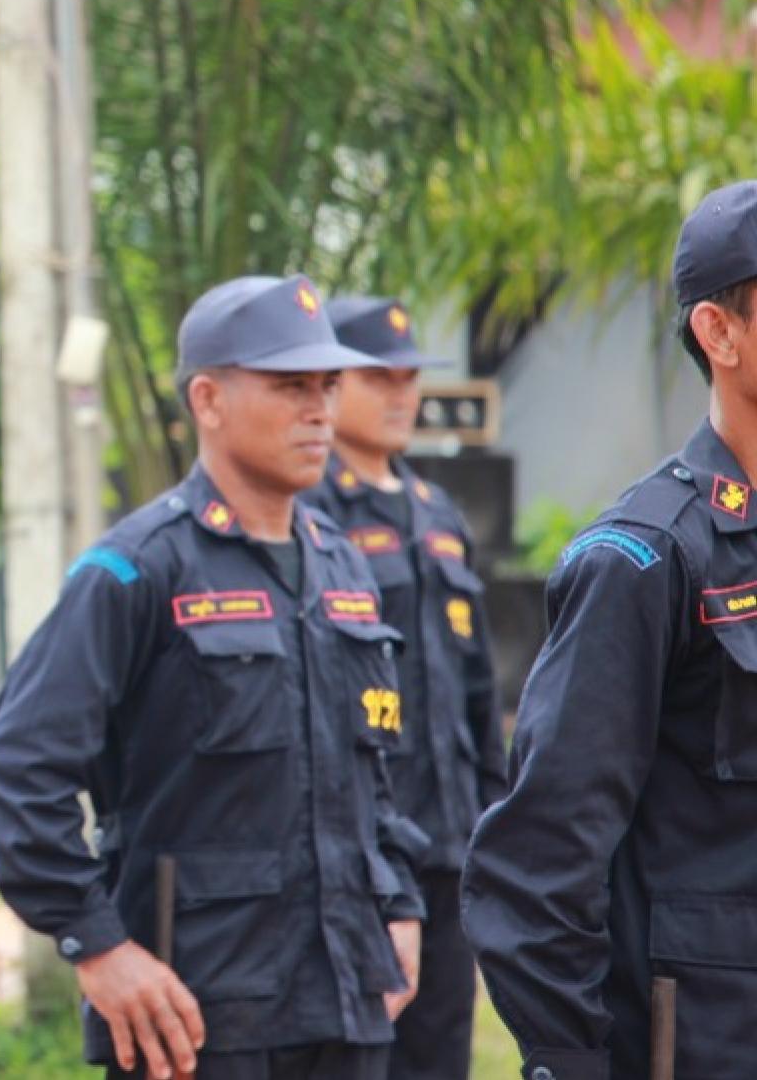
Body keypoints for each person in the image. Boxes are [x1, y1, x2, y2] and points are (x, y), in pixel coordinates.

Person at [0, 275, 428, 1080]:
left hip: (345, 996)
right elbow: (19, 770)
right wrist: (97, 945)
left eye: (327, 385)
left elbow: (372, 775)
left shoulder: (342, 566)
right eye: (290, 387)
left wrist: (397, 903)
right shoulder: (136, 569)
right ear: (208, 400)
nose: (319, 410)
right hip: (192, 1014)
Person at [462, 178, 757, 1080]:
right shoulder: (646, 559)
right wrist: (572, 1062)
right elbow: (536, 865)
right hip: (705, 1042)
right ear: (720, 333)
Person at [302, 296, 507, 1080]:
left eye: (409, 377)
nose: (400, 394)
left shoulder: (437, 513)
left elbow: (477, 688)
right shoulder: (308, 510)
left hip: (446, 846)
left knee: (440, 1055)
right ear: (329, 384)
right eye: (377, 377)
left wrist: (494, 818)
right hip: (359, 852)